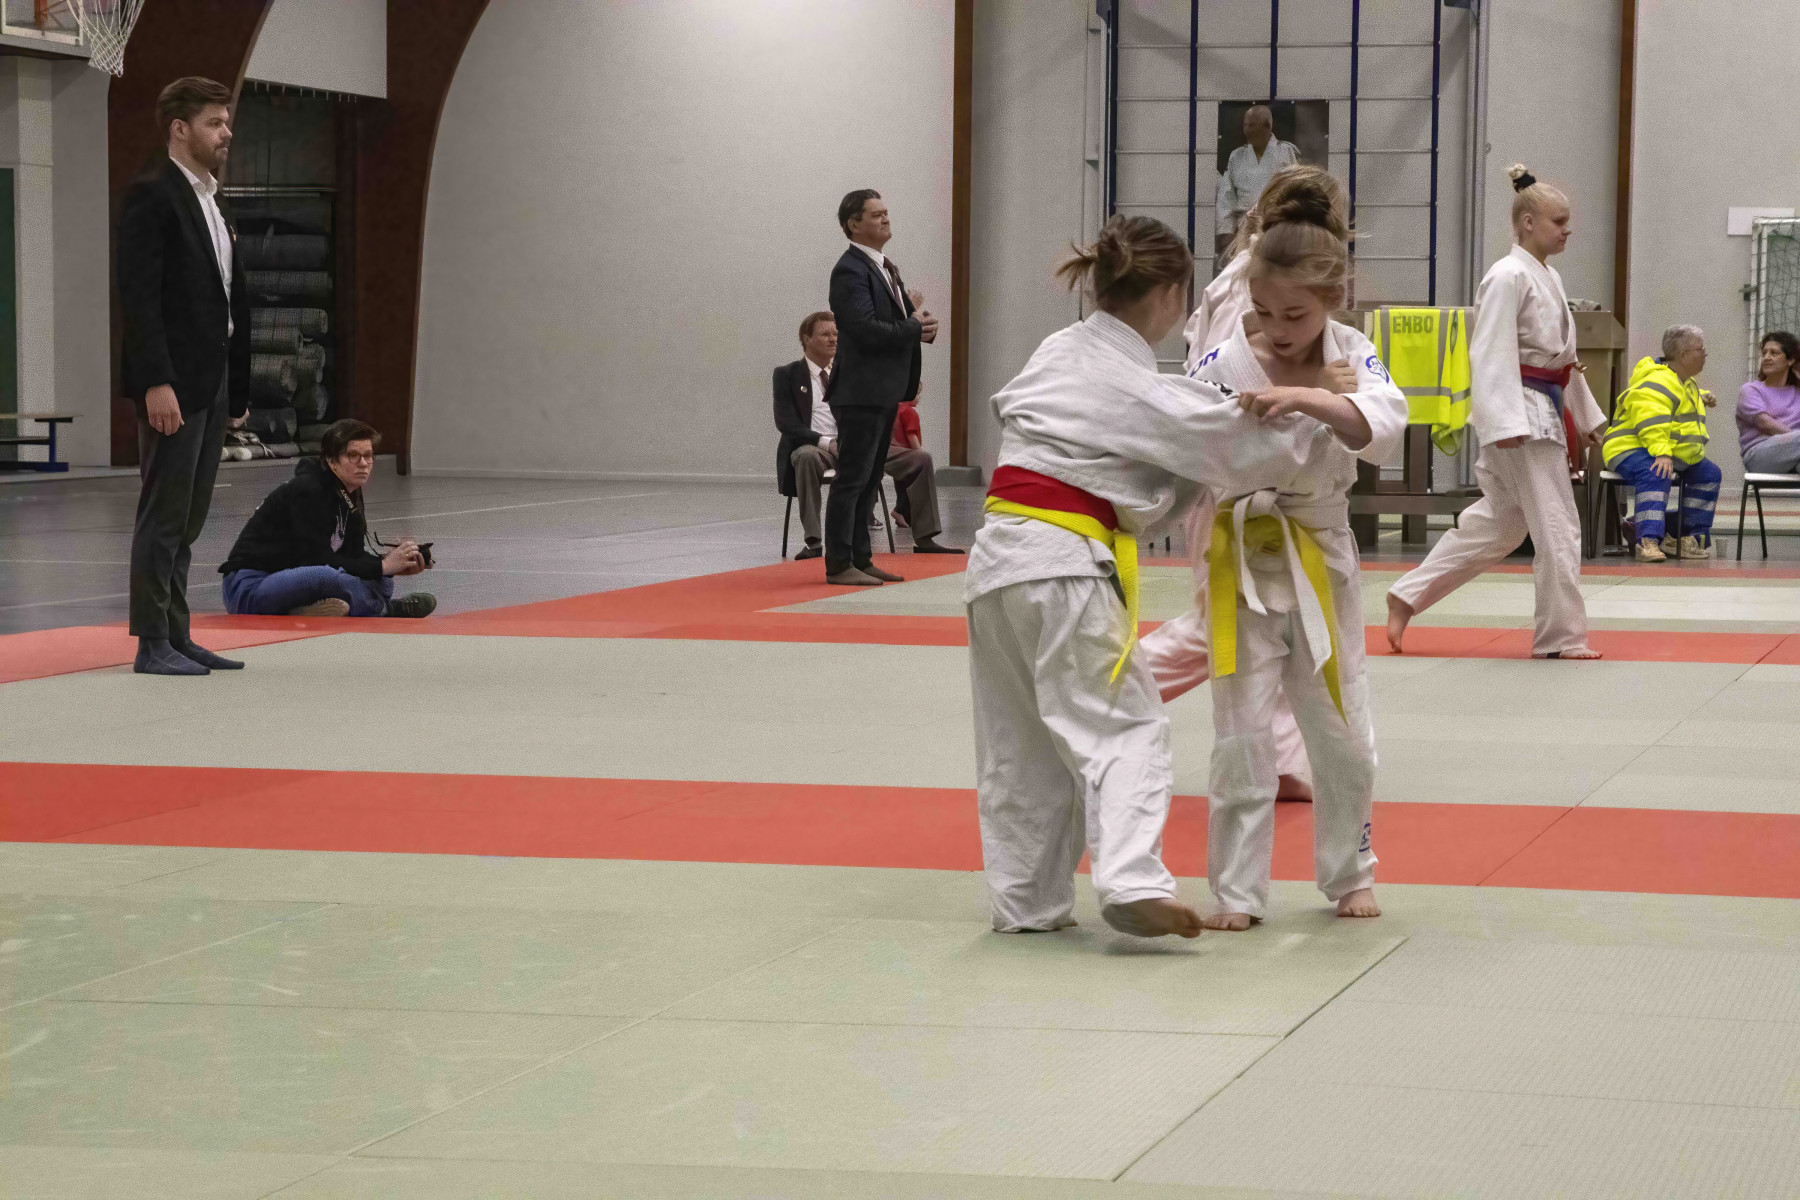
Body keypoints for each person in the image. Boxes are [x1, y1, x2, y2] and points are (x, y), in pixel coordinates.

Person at [966, 214, 1327, 941]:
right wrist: (1318, 407)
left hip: (995, 568)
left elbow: (1162, 458)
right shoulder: (1130, 383)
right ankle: (1130, 881)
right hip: (1064, 567)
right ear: (1169, 295)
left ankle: (1026, 902)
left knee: (1021, 746)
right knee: (1126, 728)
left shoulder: (1060, 353)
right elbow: (1228, 440)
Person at [1181, 173, 1407, 930]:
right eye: (1265, 311)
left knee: (1342, 731)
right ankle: (1235, 892)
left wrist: (1310, 397)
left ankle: (1350, 872)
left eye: (1296, 314)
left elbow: (1384, 427)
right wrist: (1265, 411)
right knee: (1241, 733)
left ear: (1334, 300)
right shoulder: (1224, 362)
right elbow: (1186, 438)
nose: (1278, 328)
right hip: (1239, 553)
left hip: (1319, 551)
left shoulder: (1355, 353)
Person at [1148, 165, 1345, 804]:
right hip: (1232, 473)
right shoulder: (1247, 284)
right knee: (1222, 623)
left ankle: (1284, 758)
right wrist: (1314, 391)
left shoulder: (1258, 275)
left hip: (1253, 471)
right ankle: (1100, 694)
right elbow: (1231, 384)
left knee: (1274, 617)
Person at [1386, 165, 1607, 659]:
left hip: (1538, 409)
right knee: (1557, 525)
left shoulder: (1546, 275)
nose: (1567, 231)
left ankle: (1407, 594)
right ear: (1528, 222)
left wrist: (1586, 414)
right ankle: (1560, 638)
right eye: (1558, 222)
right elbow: (1490, 352)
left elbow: (1563, 361)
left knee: (1501, 524)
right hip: (1524, 418)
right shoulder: (1506, 275)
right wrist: (1503, 422)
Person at [118, 77, 252, 676]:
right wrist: (156, 382)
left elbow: (229, 299)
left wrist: (237, 390)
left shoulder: (213, 201)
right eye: (214, 123)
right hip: (174, 382)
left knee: (190, 518)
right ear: (180, 128)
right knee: (164, 514)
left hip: (211, 380)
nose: (227, 133)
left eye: (226, 122)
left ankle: (177, 633)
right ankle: (152, 642)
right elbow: (139, 300)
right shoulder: (153, 195)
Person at [823, 189, 941, 586]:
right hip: (860, 390)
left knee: (869, 480)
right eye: (876, 214)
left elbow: (898, 321)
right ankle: (839, 562)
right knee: (853, 479)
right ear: (853, 223)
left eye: (886, 212)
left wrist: (922, 328)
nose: (886, 219)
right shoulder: (850, 270)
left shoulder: (884, 266)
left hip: (881, 389)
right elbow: (864, 329)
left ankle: (860, 557)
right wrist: (911, 327)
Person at [773, 312, 959, 559]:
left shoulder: (850, 368)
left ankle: (925, 537)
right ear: (807, 339)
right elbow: (786, 424)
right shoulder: (787, 374)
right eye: (826, 334)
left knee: (920, 459)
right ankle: (814, 542)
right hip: (818, 447)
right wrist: (827, 443)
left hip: (857, 442)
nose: (833, 339)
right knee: (804, 456)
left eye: (836, 334)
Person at [218, 420, 437, 618]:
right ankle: (386, 610)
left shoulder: (350, 491)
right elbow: (315, 560)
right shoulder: (308, 490)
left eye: (368, 455)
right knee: (325, 576)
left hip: (293, 579)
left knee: (379, 579)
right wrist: (382, 566)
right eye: (353, 455)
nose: (363, 463)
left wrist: (392, 564)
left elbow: (352, 555)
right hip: (250, 587)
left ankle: (300, 611)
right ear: (332, 461)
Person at [1602, 325, 1722, 561]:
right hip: (1629, 448)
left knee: (1709, 474)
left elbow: (1678, 400)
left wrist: (1702, 396)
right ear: (1684, 355)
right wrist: (1662, 454)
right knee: (1656, 471)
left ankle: (1687, 537)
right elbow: (1652, 422)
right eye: (1700, 349)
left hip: (1662, 450)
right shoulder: (1657, 381)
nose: (1705, 353)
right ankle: (1646, 540)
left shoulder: (1685, 382)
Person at [1214, 105, 1300, 268]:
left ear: (1267, 126)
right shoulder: (1237, 156)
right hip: (1244, 228)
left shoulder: (1285, 152)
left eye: (1252, 125)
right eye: (1245, 125)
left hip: (1277, 226)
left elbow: (1295, 190)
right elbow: (1227, 195)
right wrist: (1226, 231)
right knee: (1243, 271)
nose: (1247, 130)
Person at [1738, 331, 1800, 475]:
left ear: (1790, 360)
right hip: (1760, 455)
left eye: (1774, 353)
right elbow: (1765, 424)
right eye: (1764, 352)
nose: (1766, 357)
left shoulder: (1797, 392)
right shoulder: (1751, 390)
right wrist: (1794, 439)